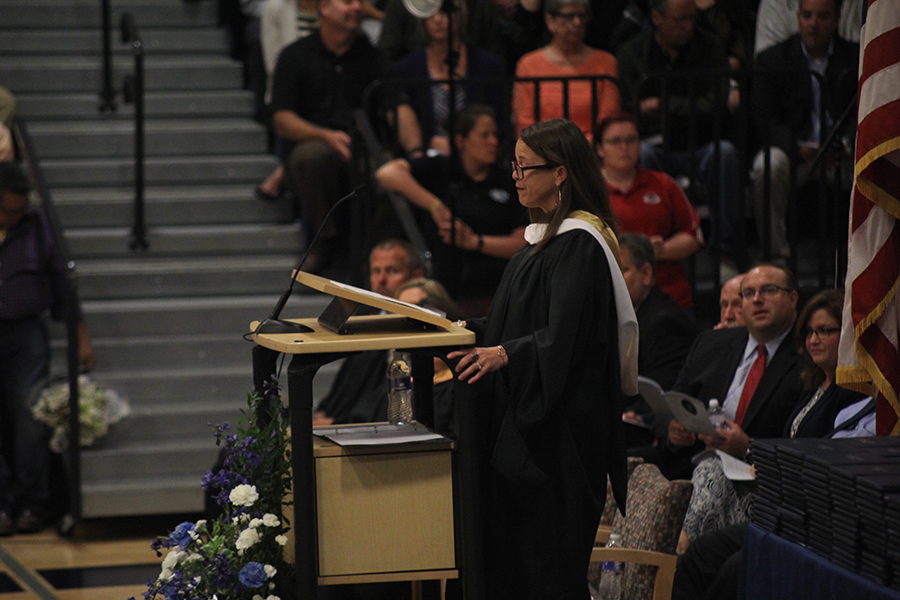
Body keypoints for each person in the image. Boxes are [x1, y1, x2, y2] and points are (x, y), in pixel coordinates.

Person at [446, 118, 638, 598]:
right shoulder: (535, 246)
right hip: (524, 434)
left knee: (546, 574)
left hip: (559, 445)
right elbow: (515, 327)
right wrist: (454, 330)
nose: (515, 176)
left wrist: (505, 353)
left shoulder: (580, 245)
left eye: (525, 166)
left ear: (560, 173)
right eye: (515, 165)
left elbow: (567, 340)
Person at [672, 289, 875, 600]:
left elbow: (819, 457)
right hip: (776, 497)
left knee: (728, 568)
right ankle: (682, 543)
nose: (813, 340)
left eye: (825, 331)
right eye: (809, 332)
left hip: (805, 515)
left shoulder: (851, 395)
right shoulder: (813, 384)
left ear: (846, 335)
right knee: (704, 546)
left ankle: (681, 541)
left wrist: (751, 450)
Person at [269, 0, 422, 269]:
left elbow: (397, 107)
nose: (357, 8)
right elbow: (283, 119)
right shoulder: (295, 55)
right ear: (324, 8)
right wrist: (326, 135)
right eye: (348, 1)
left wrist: (417, 154)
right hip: (318, 143)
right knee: (309, 158)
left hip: (368, 145)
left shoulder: (374, 57)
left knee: (392, 175)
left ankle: (378, 257)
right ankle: (324, 241)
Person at [0, 161, 95, 535]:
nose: (17, 214)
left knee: (28, 416)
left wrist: (82, 338)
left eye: (21, 207)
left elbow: (62, 284)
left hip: (25, 335)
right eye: (9, 208)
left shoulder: (36, 226)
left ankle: (35, 502)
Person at [615, 0, 744, 276]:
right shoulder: (632, 53)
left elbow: (718, 105)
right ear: (657, 18)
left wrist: (664, 105)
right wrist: (691, 107)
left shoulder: (709, 47)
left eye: (691, 19)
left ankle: (725, 251)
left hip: (702, 142)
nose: (688, 27)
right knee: (643, 156)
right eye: (679, 20)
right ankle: (656, 248)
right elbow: (631, 110)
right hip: (654, 143)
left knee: (726, 154)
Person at [652, 263, 805, 480]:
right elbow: (670, 404)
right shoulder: (710, 344)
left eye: (769, 290)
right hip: (694, 468)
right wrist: (672, 429)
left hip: (765, 479)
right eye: (749, 293)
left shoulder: (808, 358)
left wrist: (748, 448)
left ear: (793, 299)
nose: (757, 300)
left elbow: (805, 440)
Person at [376, 105, 528, 316]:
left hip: (498, 291)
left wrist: (475, 242)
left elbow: (523, 242)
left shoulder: (508, 180)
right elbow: (387, 173)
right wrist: (435, 205)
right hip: (445, 293)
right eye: (484, 135)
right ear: (460, 141)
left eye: (495, 135)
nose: (494, 142)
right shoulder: (442, 169)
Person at [750, 0, 858, 259]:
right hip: (796, 155)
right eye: (807, 16)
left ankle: (860, 258)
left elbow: (859, 114)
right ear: (798, 18)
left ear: (837, 20)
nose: (813, 23)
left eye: (822, 16)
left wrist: (844, 145)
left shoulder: (855, 57)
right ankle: (776, 257)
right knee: (767, 166)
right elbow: (763, 118)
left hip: (841, 155)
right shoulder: (774, 59)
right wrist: (797, 148)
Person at [595, 113, 703, 309]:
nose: (624, 147)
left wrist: (660, 251)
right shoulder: (589, 190)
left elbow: (693, 236)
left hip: (668, 294)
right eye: (615, 141)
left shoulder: (663, 183)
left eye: (630, 140)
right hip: (608, 295)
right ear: (600, 148)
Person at [312, 239, 423, 425]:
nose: (381, 280)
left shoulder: (417, 328)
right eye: (376, 271)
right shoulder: (364, 320)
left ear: (416, 276)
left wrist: (339, 423)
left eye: (392, 271)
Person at [394, 1, 507, 156]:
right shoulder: (408, 68)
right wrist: (430, 141)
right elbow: (407, 124)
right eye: (431, 14)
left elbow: (500, 118)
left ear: (459, 15)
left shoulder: (487, 64)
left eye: (444, 12)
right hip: (430, 153)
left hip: (479, 154)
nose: (437, 20)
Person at [512, 0, 621, 142]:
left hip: (591, 151)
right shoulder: (528, 65)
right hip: (543, 152)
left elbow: (608, 121)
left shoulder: (606, 63)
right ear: (550, 20)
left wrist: (578, 150)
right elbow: (524, 123)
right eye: (569, 16)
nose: (577, 22)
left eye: (582, 16)